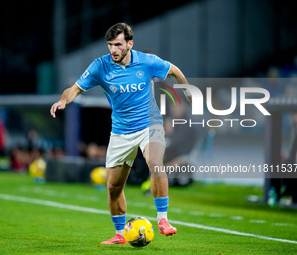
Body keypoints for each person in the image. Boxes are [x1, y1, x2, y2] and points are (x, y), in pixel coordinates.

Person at [50, 23, 192, 244]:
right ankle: (119, 234)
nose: (113, 50)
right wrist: (62, 100)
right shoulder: (100, 66)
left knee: (155, 163)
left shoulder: (147, 61)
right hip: (121, 131)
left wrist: (186, 91)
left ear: (129, 44)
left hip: (149, 124)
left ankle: (163, 220)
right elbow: (76, 88)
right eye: (110, 45)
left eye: (118, 44)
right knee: (114, 186)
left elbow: (175, 71)